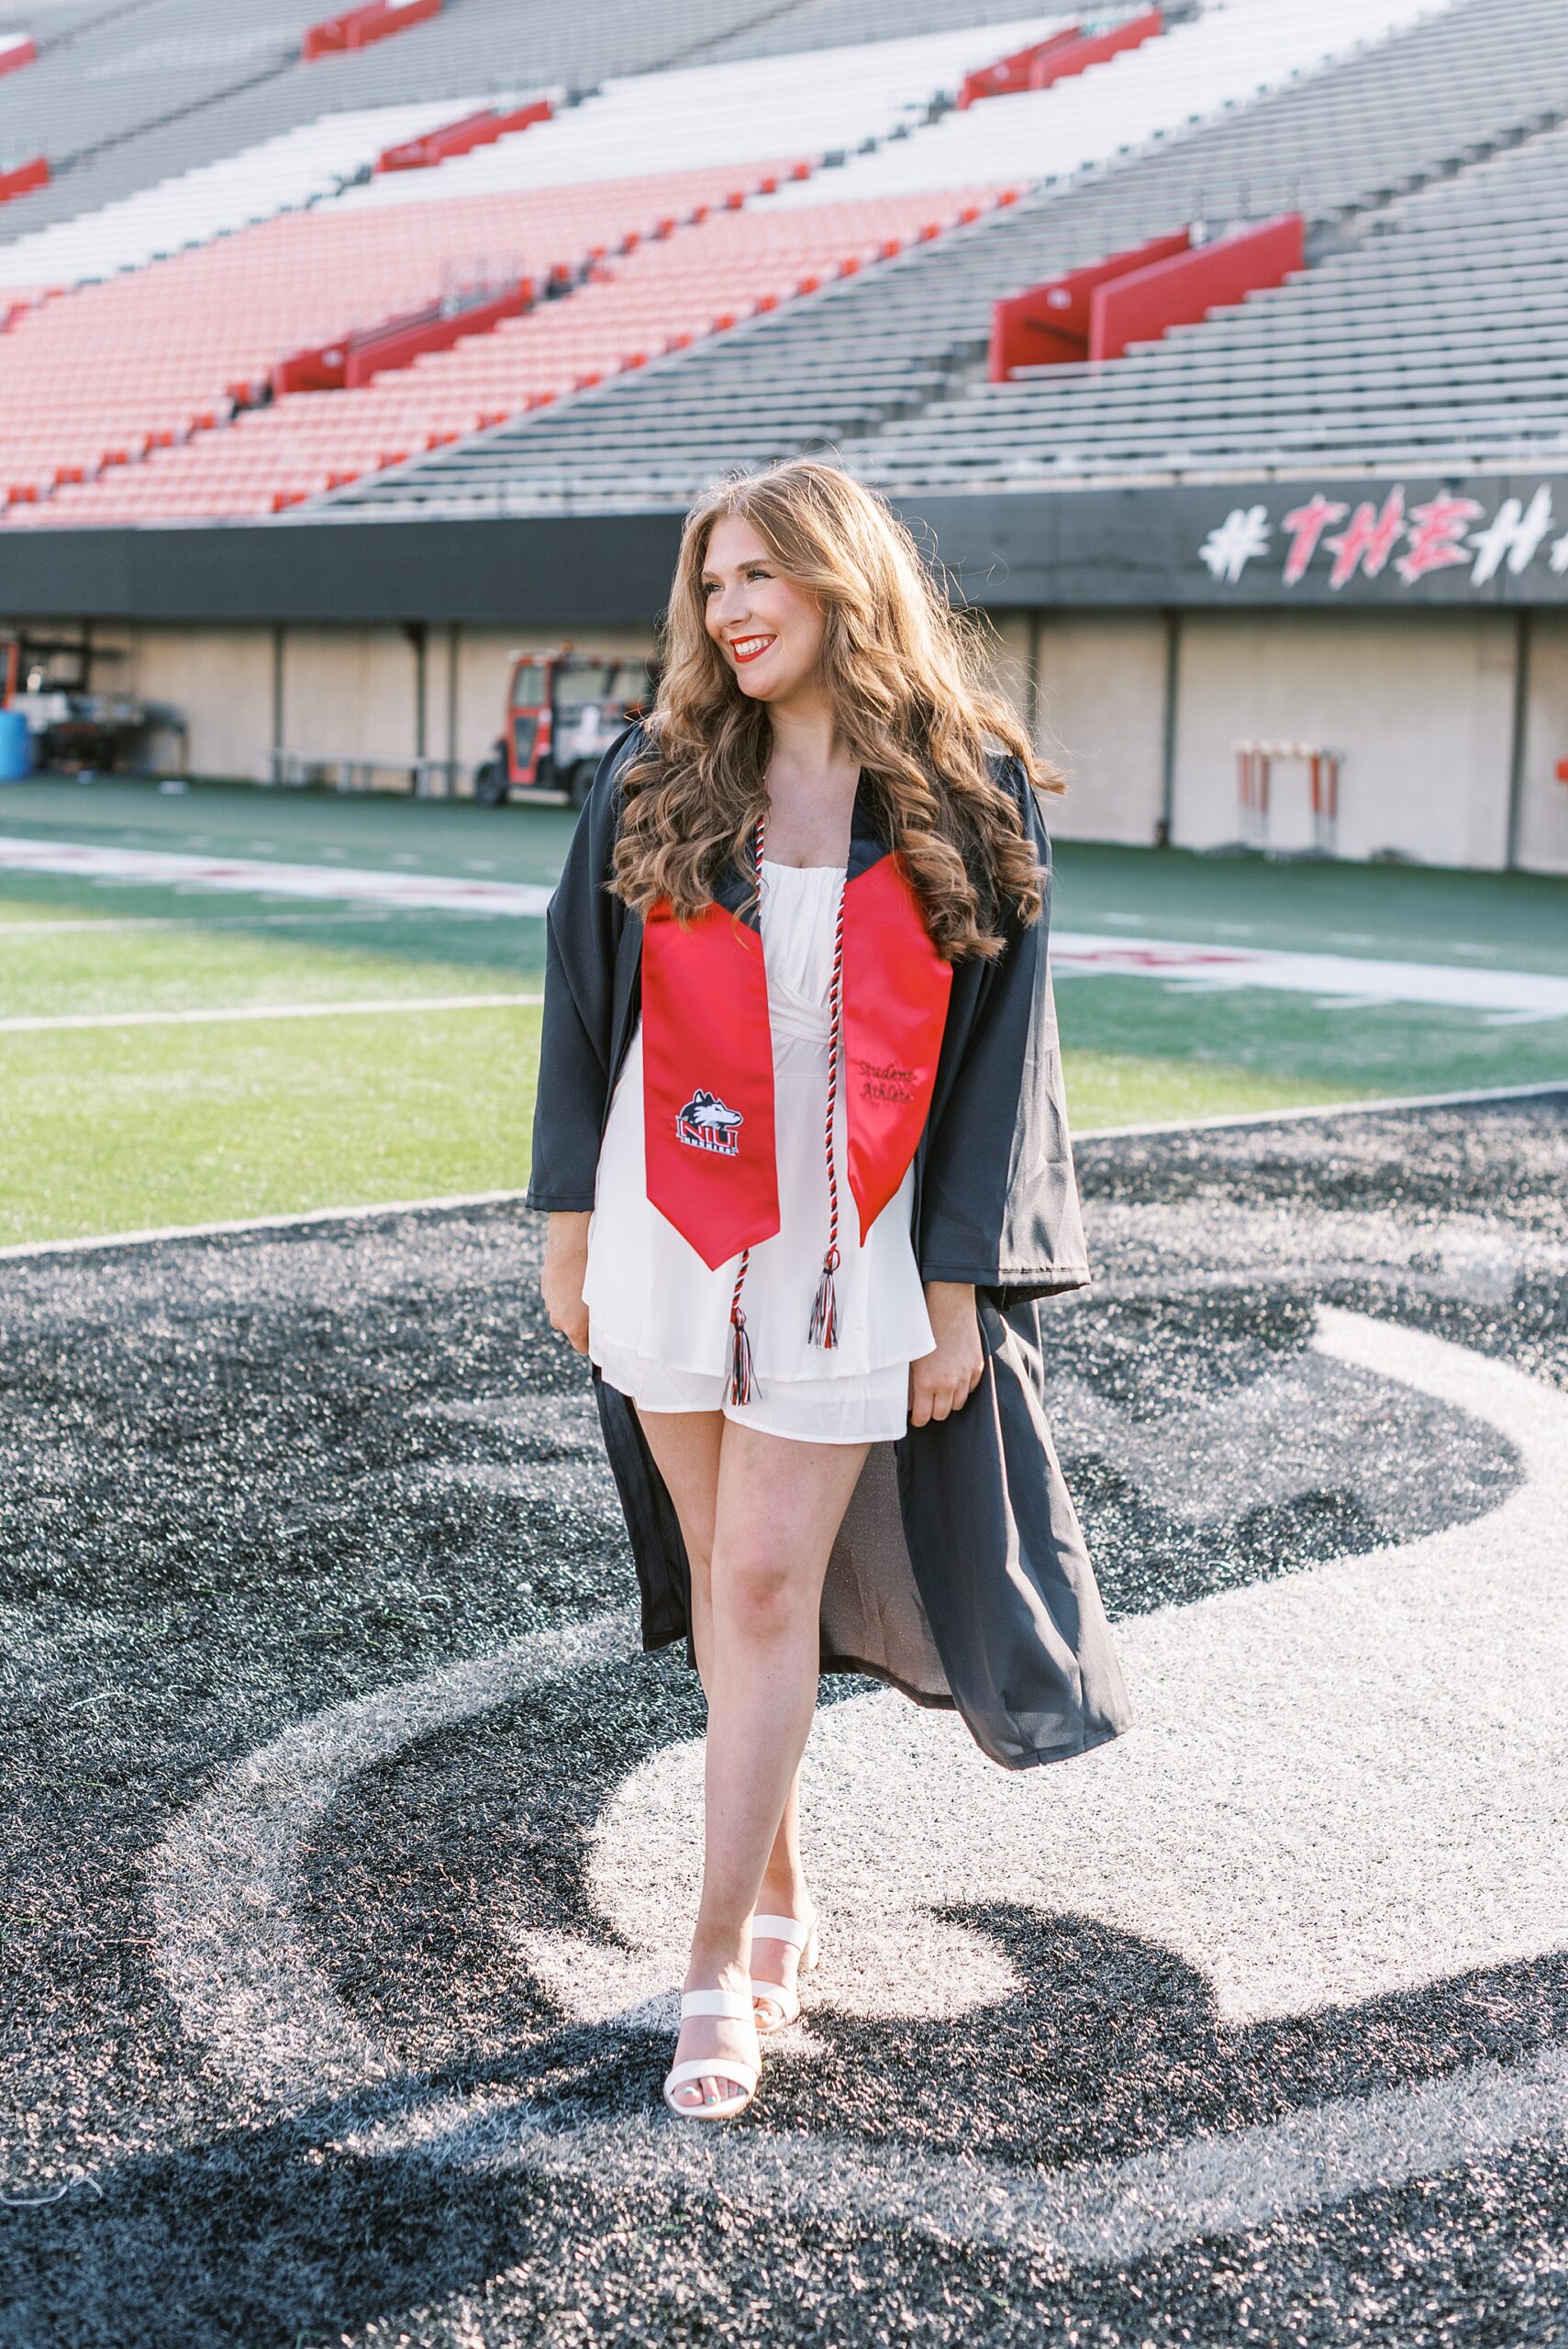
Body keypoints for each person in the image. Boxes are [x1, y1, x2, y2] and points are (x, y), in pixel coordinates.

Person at [528, 458, 1130, 2125]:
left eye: (761, 576)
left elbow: (1009, 1064)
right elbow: (583, 1007)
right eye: (711, 579)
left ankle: (711, 1960)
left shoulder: (965, 786)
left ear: (841, 585)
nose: (729, 608)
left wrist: (956, 1290)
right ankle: (777, 1887)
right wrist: (570, 1225)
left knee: (775, 1574)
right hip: (668, 1216)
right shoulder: (657, 776)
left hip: (847, 1250)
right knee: (730, 1581)